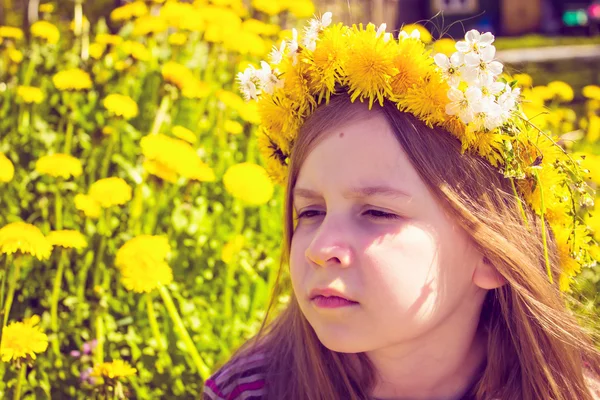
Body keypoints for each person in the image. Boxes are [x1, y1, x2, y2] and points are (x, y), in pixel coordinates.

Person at [203, 12, 600, 400]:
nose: (319, 249)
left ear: (491, 256)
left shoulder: (572, 390)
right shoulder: (250, 390)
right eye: (311, 212)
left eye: (377, 212)